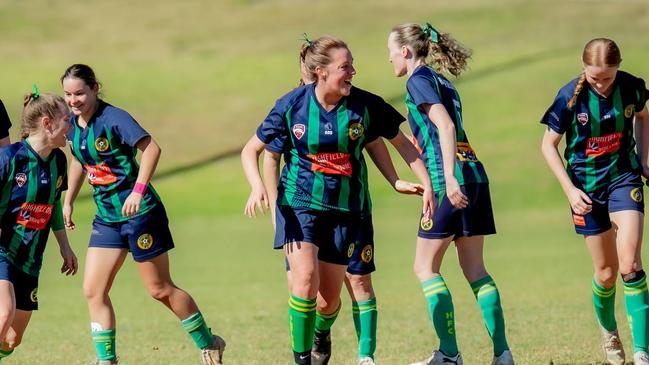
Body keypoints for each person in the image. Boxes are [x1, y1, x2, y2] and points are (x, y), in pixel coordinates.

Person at [242, 35, 433, 365]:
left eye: (352, 65)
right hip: (299, 205)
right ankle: (302, 360)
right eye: (346, 67)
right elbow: (253, 151)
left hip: (346, 212)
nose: (353, 72)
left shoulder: (365, 106)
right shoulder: (292, 106)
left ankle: (321, 332)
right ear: (321, 71)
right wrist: (260, 188)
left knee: (327, 302)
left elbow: (402, 144)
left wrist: (424, 183)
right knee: (303, 281)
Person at [60, 64, 225, 365]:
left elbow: (151, 149)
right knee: (93, 290)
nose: (74, 101)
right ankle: (106, 360)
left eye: (80, 93)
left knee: (159, 289)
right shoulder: (72, 126)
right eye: (68, 95)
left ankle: (209, 342)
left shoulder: (114, 118)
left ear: (95, 88)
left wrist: (137, 191)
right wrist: (68, 200)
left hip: (140, 215)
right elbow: (77, 160)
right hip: (107, 219)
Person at [387, 23, 515, 365]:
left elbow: (444, 125)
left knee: (425, 267)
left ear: (405, 51)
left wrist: (447, 177)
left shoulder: (417, 80)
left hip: (451, 182)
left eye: (390, 52)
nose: (389, 60)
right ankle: (503, 354)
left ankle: (448, 354)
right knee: (476, 270)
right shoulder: (442, 81)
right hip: (474, 173)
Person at [541, 38, 649, 365]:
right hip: (585, 189)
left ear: (618, 68)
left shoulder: (631, 88)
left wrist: (643, 159)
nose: (601, 84)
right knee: (605, 273)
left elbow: (644, 116)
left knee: (630, 264)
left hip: (623, 178)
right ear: (583, 68)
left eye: (607, 77)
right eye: (594, 77)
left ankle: (642, 352)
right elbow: (548, 146)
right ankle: (609, 332)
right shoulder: (568, 97)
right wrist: (570, 192)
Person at [0, 90, 78, 362]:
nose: (71, 126)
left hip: (30, 258)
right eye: (66, 120)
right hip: (2, 252)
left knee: (12, 339)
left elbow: (53, 205)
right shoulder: (9, 159)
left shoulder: (57, 161)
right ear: (47, 123)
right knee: (3, 314)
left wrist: (65, 247)